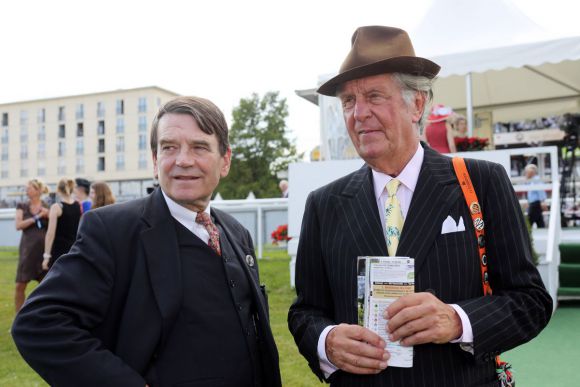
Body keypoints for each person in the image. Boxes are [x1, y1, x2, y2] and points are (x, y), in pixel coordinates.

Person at [288, 26, 552, 386]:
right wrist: (326, 342)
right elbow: (306, 311)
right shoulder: (325, 204)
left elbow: (530, 301)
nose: (358, 113)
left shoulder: (480, 182)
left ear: (417, 103)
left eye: (374, 96)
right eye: (348, 101)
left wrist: (457, 320)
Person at [12, 96, 282, 387]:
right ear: (155, 161)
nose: (183, 160)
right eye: (169, 147)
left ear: (225, 160)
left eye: (199, 147)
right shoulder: (112, 231)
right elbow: (38, 323)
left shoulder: (237, 232)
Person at [14, 179, 49, 312]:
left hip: (44, 251)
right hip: (27, 251)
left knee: (45, 285)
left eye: (29, 188)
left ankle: (44, 316)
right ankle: (18, 318)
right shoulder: (22, 205)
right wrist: (37, 216)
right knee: (20, 285)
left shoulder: (47, 206)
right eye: (26, 188)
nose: (26, 190)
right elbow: (18, 225)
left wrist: (48, 215)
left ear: (38, 190)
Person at [42, 178, 81, 270]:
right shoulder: (77, 205)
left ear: (58, 190)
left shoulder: (56, 207)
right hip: (74, 249)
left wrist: (46, 256)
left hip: (59, 252)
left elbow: (50, 234)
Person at [524, 164, 548, 228]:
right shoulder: (532, 181)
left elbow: (540, 191)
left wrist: (542, 202)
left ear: (531, 172)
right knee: (539, 221)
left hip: (535, 204)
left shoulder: (536, 180)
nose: (525, 174)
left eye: (526, 172)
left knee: (529, 222)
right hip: (534, 204)